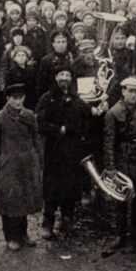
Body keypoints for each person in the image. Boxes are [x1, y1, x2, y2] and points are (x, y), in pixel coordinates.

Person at [0, 83, 44, 250]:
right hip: (8, 166)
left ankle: (23, 234)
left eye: (21, 98)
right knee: (9, 202)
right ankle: (11, 236)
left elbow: (35, 139)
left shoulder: (30, 116)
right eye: (14, 98)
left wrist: (39, 160)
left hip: (26, 164)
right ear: (8, 99)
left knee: (24, 200)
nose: (18, 102)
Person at [103, 76, 136, 257]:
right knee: (121, 200)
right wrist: (110, 168)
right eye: (130, 91)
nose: (133, 95)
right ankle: (120, 235)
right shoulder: (113, 113)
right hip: (123, 160)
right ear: (123, 91)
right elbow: (109, 142)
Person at [36, 66, 91, 239]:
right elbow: (40, 123)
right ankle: (48, 222)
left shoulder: (77, 99)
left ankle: (67, 219)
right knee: (52, 187)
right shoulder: (47, 99)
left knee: (71, 185)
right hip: (54, 150)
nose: (64, 78)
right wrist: (59, 129)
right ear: (55, 77)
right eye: (61, 75)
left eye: (67, 75)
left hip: (73, 150)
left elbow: (86, 119)